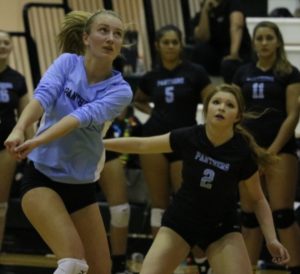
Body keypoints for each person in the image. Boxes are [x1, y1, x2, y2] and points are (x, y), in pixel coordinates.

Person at [104, 84, 290, 274]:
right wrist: (101, 144)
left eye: (229, 105)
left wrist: (272, 239)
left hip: (221, 228)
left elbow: (258, 199)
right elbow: (142, 145)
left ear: (238, 116)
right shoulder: (190, 135)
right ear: (207, 108)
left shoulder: (242, 151)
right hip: (181, 222)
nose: (221, 107)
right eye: (216, 102)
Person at [4, 9, 132, 274]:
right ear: (86, 38)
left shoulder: (121, 90)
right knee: (73, 262)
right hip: (41, 178)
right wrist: (19, 129)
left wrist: (37, 141)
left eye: (117, 34)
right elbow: (42, 97)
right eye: (103, 31)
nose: (111, 38)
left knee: (100, 269)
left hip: (80, 185)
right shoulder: (66, 63)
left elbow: (79, 117)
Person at [232, 21, 300, 274]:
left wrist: (269, 153)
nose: (263, 42)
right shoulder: (242, 73)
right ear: (254, 42)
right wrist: (251, 151)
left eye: (269, 37)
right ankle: (245, 269)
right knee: (249, 219)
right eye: (259, 38)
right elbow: (236, 112)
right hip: (248, 151)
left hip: (279, 150)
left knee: (283, 215)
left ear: (278, 41)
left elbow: (292, 115)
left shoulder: (289, 72)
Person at [134, 24, 213, 238]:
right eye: (166, 42)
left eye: (174, 42)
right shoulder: (151, 76)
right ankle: (156, 264)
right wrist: (152, 113)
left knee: (184, 202)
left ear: (180, 45)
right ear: (157, 46)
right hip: (154, 140)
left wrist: (208, 128)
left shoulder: (195, 72)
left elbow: (211, 100)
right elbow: (138, 99)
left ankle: (191, 258)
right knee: (159, 205)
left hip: (185, 142)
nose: (170, 46)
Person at [0, 30, 33, 250]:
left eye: (6, 42)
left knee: (0, 204)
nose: (2, 46)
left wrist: (32, 147)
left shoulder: (17, 79)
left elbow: (26, 117)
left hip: (5, 146)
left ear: (11, 47)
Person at [192, 0, 252, 83]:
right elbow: (203, 37)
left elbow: (237, 26)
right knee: (199, 50)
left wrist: (233, 54)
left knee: (229, 64)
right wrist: (205, 11)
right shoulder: (201, 13)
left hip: (238, 52)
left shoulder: (233, 4)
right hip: (217, 54)